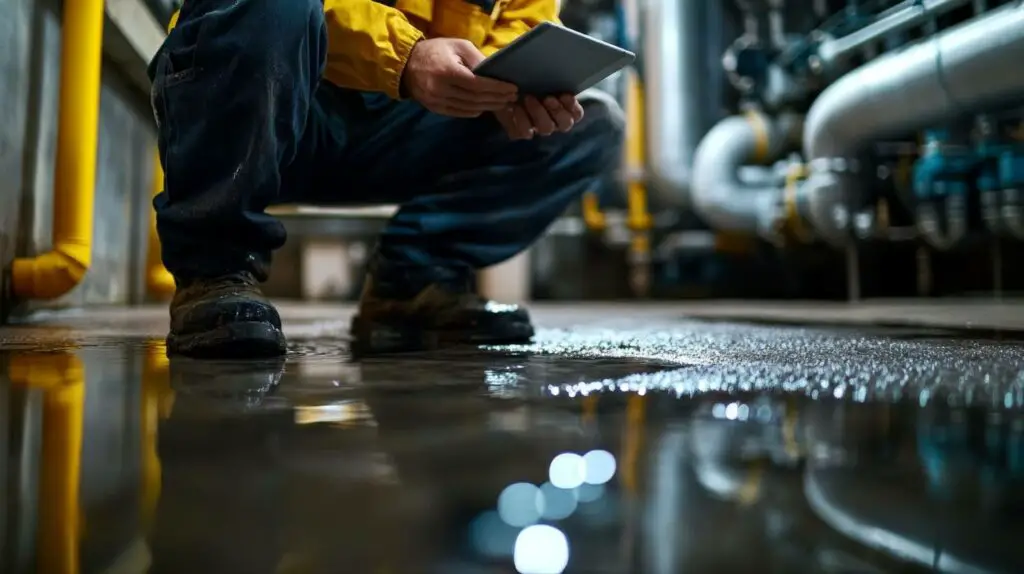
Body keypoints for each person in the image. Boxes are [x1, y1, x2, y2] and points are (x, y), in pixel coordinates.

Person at [152, 0, 625, 358]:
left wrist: (515, 89)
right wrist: (406, 55)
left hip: (398, 119)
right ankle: (215, 271)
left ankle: (414, 283)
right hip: (268, 96)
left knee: (593, 126)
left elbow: (520, 27)